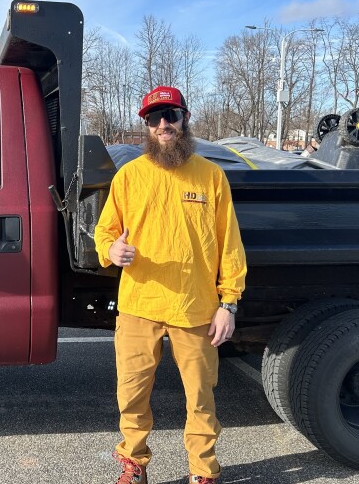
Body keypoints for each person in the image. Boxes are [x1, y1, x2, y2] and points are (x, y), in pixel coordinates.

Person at [94, 85, 247, 484]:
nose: (164, 124)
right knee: (131, 394)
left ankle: (203, 472)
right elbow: (104, 231)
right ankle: (133, 463)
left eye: (171, 116)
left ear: (185, 119)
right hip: (139, 305)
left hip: (195, 308)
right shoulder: (129, 176)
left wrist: (228, 303)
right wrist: (111, 251)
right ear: (145, 125)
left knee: (200, 397)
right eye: (154, 118)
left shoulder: (211, 177)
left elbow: (229, 243)